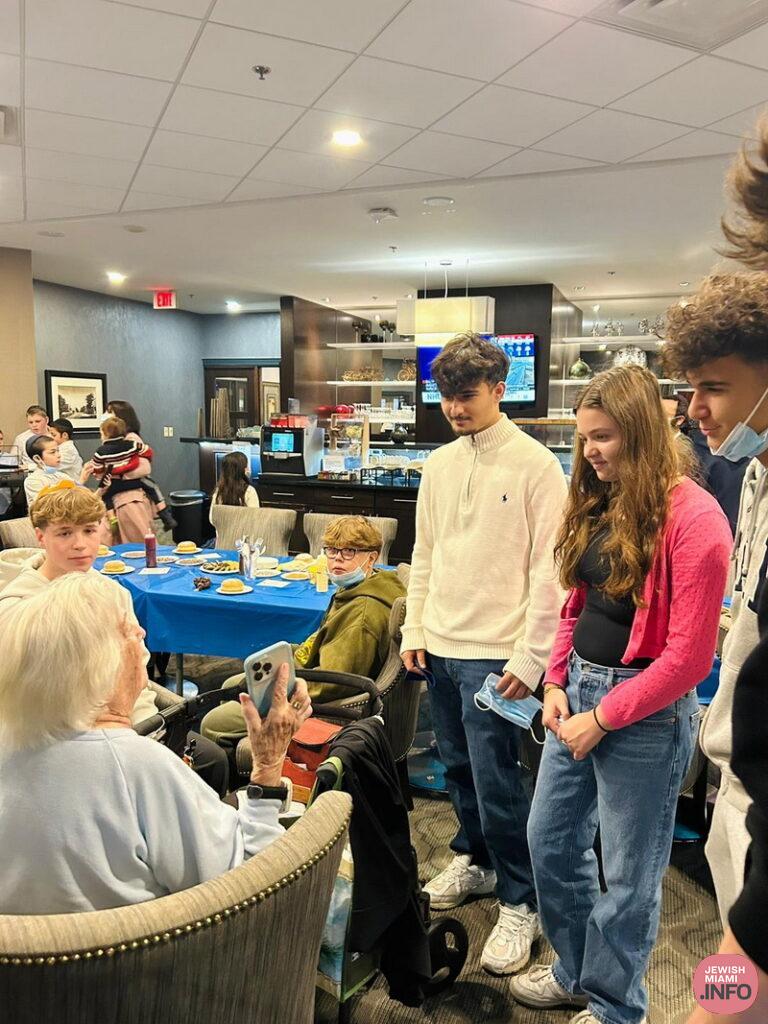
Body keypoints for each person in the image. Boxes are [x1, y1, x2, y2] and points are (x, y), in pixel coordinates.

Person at [510, 365, 732, 1024]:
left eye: (602, 437)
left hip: (645, 714)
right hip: (578, 691)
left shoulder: (697, 519)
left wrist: (603, 717)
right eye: (584, 438)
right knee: (550, 843)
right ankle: (578, 973)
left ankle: (615, 1006)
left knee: (629, 877)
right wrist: (555, 680)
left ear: (640, 432)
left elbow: (689, 660)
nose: (590, 453)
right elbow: (576, 605)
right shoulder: (602, 499)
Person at [400, 333, 568, 976]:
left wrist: (531, 657)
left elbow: (551, 572)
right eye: (445, 396)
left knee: (501, 780)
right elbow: (424, 553)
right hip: (439, 645)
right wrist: (414, 627)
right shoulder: (439, 465)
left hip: (497, 654)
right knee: (457, 770)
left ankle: (521, 900)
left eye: (466, 395)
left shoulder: (536, 465)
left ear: (500, 390)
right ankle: (474, 860)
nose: (454, 408)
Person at [0, 570, 312, 914]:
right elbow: (253, 885)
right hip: (156, 947)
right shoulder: (137, 768)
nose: (142, 634)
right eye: (128, 629)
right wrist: (268, 765)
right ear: (102, 661)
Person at [0, 481, 230, 795]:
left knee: (212, 761)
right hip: (57, 745)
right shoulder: (17, 607)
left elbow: (137, 676)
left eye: (89, 531)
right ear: (41, 536)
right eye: (65, 533)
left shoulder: (112, 593)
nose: (80, 544)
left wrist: (150, 732)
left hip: (128, 726)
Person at [663, 272, 768, 931]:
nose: (695, 408)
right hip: (733, 780)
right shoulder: (753, 473)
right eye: (691, 388)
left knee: (736, 972)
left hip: (759, 798)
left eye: (715, 388)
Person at [201, 515, 406, 747]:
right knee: (232, 685)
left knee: (213, 722)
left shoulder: (362, 614)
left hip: (324, 703)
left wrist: (283, 691)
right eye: (331, 550)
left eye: (349, 551)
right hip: (312, 677)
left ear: (372, 557)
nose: (337, 558)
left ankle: (251, 759)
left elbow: (334, 684)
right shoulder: (366, 586)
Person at [106, 399, 176, 531]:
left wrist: (120, 474)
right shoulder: (114, 440)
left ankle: (165, 515)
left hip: (131, 492)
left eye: (110, 412)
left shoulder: (131, 438)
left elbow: (144, 468)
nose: (106, 416)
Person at [23, 435, 89, 506]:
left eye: (58, 451)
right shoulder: (33, 481)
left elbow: (78, 493)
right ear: (37, 458)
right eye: (52, 452)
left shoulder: (61, 476)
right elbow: (47, 506)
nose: (58, 455)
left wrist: (83, 478)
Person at [209, 450, 260, 525]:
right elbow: (255, 518)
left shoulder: (219, 491)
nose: (248, 469)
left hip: (222, 532)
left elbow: (212, 519)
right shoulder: (249, 491)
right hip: (244, 532)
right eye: (246, 466)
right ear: (242, 470)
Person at [12, 404, 49, 470]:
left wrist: (30, 466)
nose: (34, 425)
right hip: (29, 474)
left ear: (46, 420)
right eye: (30, 422)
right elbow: (13, 463)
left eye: (37, 421)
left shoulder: (56, 436)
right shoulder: (21, 439)